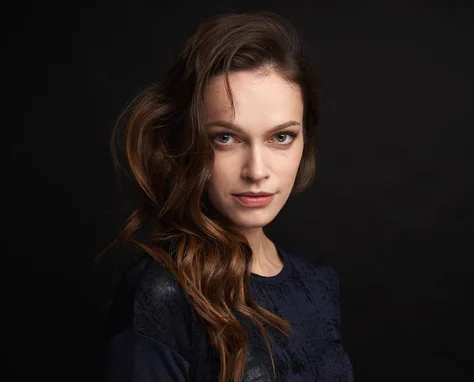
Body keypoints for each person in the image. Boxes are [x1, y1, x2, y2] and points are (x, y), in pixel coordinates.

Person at [98, 10, 354, 382]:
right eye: (226, 138)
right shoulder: (163, 294)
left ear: (305, 140)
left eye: (281, 137)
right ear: (187, 141)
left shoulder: (319, 283)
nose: (256, 170)